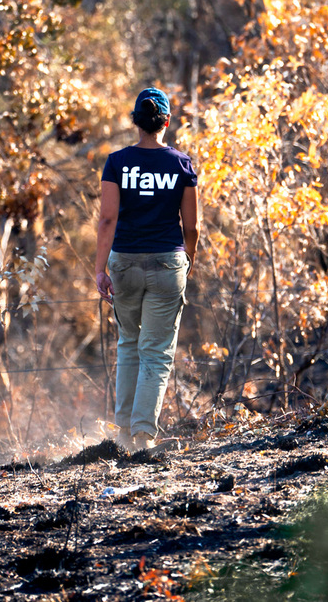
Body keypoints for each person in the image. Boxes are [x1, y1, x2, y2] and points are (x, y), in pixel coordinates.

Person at [95, 87, 199, 451]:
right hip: (167, 263)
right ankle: (142, 436)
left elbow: (107, 220)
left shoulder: (117, 163)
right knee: (155, 350)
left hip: (124, 262)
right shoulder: (181, 164)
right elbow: (193, 228)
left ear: (136, 122)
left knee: (128, 345)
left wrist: (99, 270)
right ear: (166, 122)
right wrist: (188, 260)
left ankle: (122, 433)